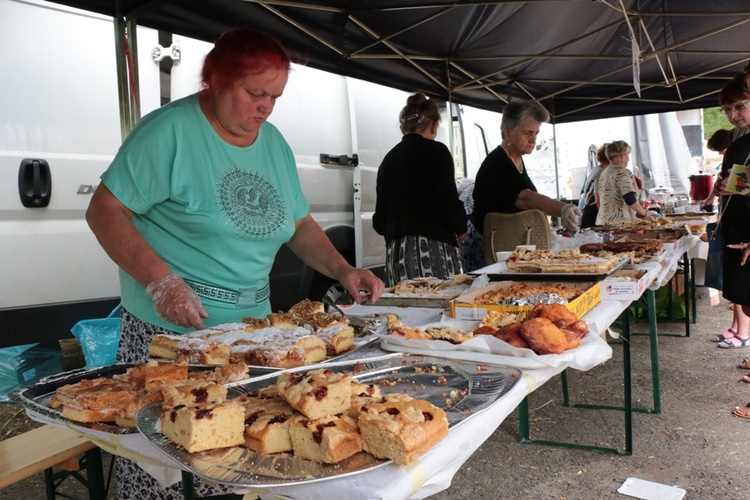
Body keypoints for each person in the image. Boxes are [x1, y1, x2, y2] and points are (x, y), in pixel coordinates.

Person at [85, 28, 384, 498]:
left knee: (237, 460)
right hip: (169, 336)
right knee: (165, 464)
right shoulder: (171, 132)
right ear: (218, 81)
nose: (265, 107)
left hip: (249, 339)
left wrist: (344, 270)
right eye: (255, 93)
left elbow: (299, 225)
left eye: (275, 97)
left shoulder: (273, 143)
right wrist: (162, 282)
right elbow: (104, 210)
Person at [460, 100, 581, 272]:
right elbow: (526, 199)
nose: (533, 140)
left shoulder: (516, 159)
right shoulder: (498, 163)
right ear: (508, 132)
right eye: (527, 133)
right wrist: (563, 208)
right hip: (487, 245)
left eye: (536, 133)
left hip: (506, 242)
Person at [373, 93, 467, 286]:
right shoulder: (437, 152)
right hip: (433, 253)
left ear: (402, 128)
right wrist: (461, 227)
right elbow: (448, 205)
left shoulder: (387, 161)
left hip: (396, 257)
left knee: (402, 311)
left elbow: (378, 222)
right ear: (434, 126)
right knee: (437, 310)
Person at [711, 72, 750, 353]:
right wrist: (724, 185)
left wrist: (738, 184)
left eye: (740, 106)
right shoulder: (739, 139)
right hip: (737, 233)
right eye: (728, 109)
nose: (733, 115)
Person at [595, 140, 656, 225]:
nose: (629, 159)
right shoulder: (622, 172)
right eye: (627, 155)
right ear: (622, 155)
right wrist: (644, 213)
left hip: (603, 222)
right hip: (619, 223)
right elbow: (629, 198)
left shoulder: (604, 173)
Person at [579, 143, 609, 228]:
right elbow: (598, 199)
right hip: (593, 212)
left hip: (590, 211)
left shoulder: (596, 169)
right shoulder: (601, 173)